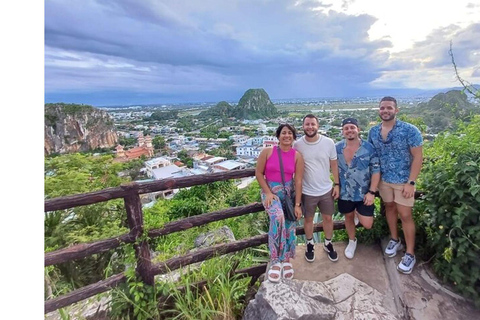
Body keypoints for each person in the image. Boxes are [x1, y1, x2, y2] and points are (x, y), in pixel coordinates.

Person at [367, 96, 423, 274]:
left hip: (403, 181)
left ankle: (410, 253)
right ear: (379, 110)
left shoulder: (409, 130)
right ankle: (395, 239)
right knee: (389, 208)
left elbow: (418, 157)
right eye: (382, 108)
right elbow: (371, 156)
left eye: (389, 108)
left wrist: (411, 182)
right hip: (383, 180)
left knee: (405, 215)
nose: (385, 111)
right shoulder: (373, 132)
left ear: (396, 110)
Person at [255, 123, 304, 282]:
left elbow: (298, 181)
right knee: (278, 218)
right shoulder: (268, 152)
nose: (287, 136)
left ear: (294, 137)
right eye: (283, 133)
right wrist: (268, 192)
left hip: (288, 195)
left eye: (290, 133)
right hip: (271, 194)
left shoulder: (297, 155)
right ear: (278, 136)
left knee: (290, 223)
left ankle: (287, 259)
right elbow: (259, 173)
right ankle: (276, 259)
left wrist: (297, 205)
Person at [294, 114, 340, 262]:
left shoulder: (328, 143)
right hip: (307, 191)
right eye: (307, 124)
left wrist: (337, 184)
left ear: (318, 126)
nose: (310, 127)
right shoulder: (298, 145)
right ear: (303, 126)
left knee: (328, 218)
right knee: (308, 220)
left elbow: (334, 165)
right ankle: (310, 244)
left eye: (313, 124)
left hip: (326, 189)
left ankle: (327, 242)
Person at [336, 117, 380, 259]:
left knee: (367, 224)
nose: (349, 130)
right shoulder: (337, 148)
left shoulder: (368, 148)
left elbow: (376, 170)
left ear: (358, 130)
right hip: (345, 192)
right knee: (348, 217)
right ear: (343, 131)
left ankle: (357, 213)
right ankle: (352, 241)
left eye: (352, 127)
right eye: (346, 128)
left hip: (363, 193)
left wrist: (372, 191)